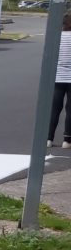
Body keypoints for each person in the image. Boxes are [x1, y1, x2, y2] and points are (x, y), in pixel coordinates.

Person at [50, 12, 71, 148]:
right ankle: (67, 140)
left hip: (57, 77)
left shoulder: (56, 37)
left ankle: (48, 138)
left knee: (54, 109)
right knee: (70, 110)